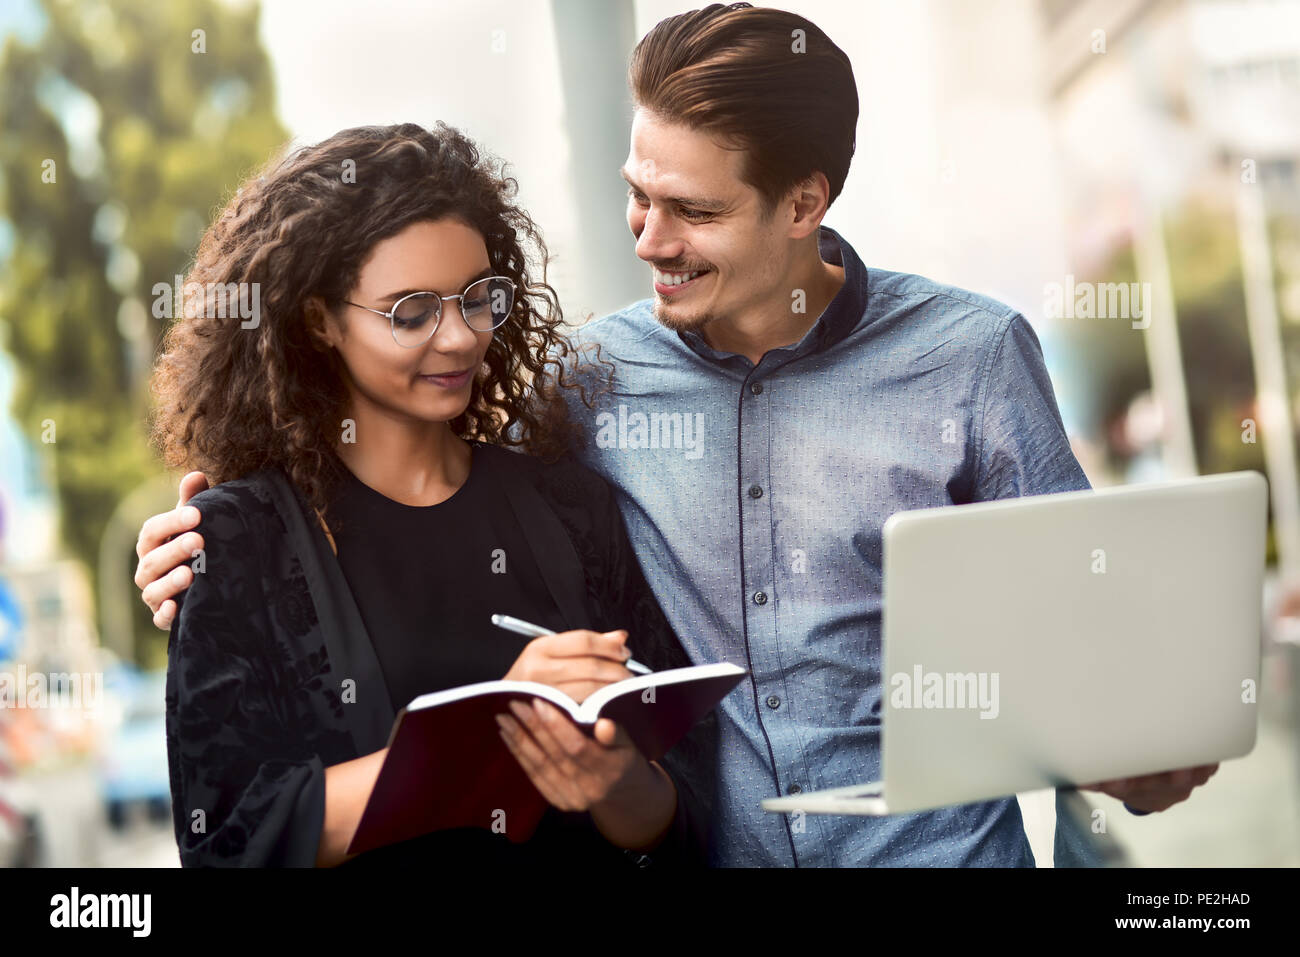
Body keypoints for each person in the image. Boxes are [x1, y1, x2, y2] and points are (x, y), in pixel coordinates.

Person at [138, 3, 1217, 867]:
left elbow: (1090, 645)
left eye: (689, 211)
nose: (648, 239)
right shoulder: (588, 379)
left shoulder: (972, 358)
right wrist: (196, 555)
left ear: (801, 203)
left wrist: (1131, 753)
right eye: (634, 195)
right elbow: (402, 482)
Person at [146, 121, 715, 867]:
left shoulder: (571, 507)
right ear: (319, 319)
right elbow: (227, 837)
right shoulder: (235, 542)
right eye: (411, 312)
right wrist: (489, 737)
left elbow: (679, 816)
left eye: (478, 298)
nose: (458, 338)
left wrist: (614, 782)